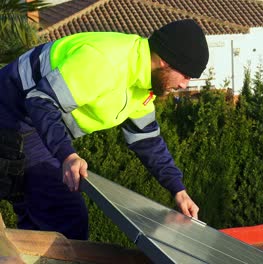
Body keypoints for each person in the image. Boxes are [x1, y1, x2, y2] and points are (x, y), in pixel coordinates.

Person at [0, 19, 209, 240]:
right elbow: (40, 101)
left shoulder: (143, 84)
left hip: (33, 121)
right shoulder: (106, 62)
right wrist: (67, 155)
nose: (185, 85)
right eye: (186, 75)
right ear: (166, 61)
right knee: (66, 216)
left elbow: (146, 140)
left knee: (40, 222)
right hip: (14, 113)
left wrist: (178, 190)